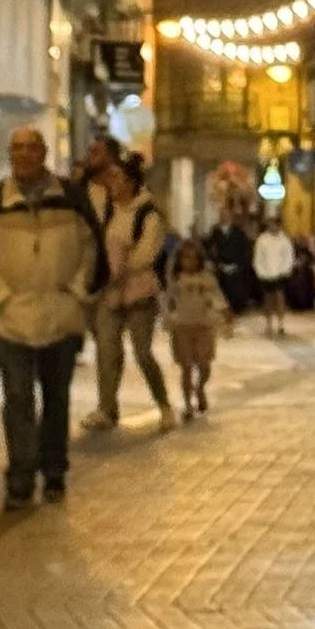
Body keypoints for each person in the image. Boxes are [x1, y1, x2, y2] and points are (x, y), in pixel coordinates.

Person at [0, 125, 103, 509]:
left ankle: (54, 471)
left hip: (61, 316)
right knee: (18, 400)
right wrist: (0, 295)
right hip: (12, 320)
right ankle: (20, 479)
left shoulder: (70, 199)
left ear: (43, 153)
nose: (24, 154)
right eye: (17, 148)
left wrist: (77, 290)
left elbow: (91, 247)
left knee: (56, 399)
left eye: (31, 147)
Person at [86, 155, 172, 434]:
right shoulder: (106, 209)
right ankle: (106, 408)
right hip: (109, 291)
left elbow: (146, 255)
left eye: (117, 178)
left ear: (131, 183)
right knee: (107, 350)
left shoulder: (148, 214)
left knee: (143, 352)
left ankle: (164, 405)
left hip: (139, 291)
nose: (112, 183)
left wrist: (119, 262)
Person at [162, 236, 231, 417]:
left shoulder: (207, 279)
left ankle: (200, 387)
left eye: (193, 258)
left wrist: (225, 314)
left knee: (204, 365)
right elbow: (169, 301)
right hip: (182, 327)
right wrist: (168, 319)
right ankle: (187, 404)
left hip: (204, 326)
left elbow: (217, 297)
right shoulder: (176, 280)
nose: (189, 262)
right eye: (185, 258)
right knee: (186, 367)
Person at [252, 220, 293, 339]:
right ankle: (268, 323)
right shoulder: (262, 239)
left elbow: (289, 256)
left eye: (275, 225)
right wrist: (260, 271)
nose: (273, 227)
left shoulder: (285, 239)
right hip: (265, 273)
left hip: (280, 273)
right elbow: (258, 256)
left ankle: (281, 324)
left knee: (280, 297)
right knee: (268, 299)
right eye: (271, 225)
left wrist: (286, 270)